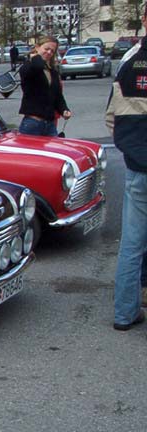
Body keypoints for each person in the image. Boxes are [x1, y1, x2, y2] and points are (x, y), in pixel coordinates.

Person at [106, 9, 147, 329]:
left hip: (139, 166)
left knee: (132, 244)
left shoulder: (130, 63)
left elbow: (112, 119)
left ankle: (125, 313)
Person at [17, 35, 72, 137]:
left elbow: (57, 95)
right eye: (46, 49)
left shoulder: (52, 71)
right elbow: (37, 66)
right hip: (32, 123)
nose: (49, 52)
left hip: (49, 124)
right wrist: (35, 56)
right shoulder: (28, 67)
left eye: (52, 51)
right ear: (37, 47)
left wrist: (64, 109)